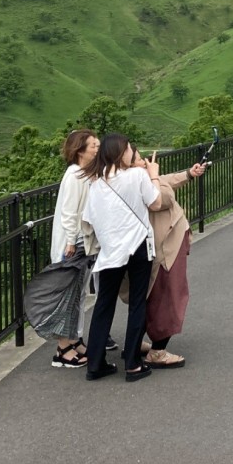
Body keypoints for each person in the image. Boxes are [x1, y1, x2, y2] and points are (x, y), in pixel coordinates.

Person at [81, 132, 162, 382]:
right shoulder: (137, 175)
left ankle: (95, 364)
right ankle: (133, 365)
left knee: (104, 305)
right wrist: (154, 175)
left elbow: (90, 220)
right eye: (128, 149)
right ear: (120, 153)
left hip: (110, 252)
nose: (131, 152)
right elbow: (156, 203)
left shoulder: (96, 184)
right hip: (137, 246)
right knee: (137, 303)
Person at [131, 148, 206, 368]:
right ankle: (157, 350)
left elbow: (164, 181)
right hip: (165, 248)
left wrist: (188, 174)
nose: (144, 162)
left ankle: (136, 342)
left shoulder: (144, 178)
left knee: (156, 293)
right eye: (137, 160)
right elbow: (161, 198)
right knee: (169, 293)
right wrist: (153, 174)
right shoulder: (137, 182)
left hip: (168, 243)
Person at [48, 129, 99, 367]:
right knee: (67, 296)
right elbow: (69, 212)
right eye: (93, 145)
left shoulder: (86, 174)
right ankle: (62, 348)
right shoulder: (74, 175)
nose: (97, 148)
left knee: (78, 294)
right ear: (80, 150)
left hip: (81, 243)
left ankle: (74, 339)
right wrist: (69, 241)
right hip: (72, 244)